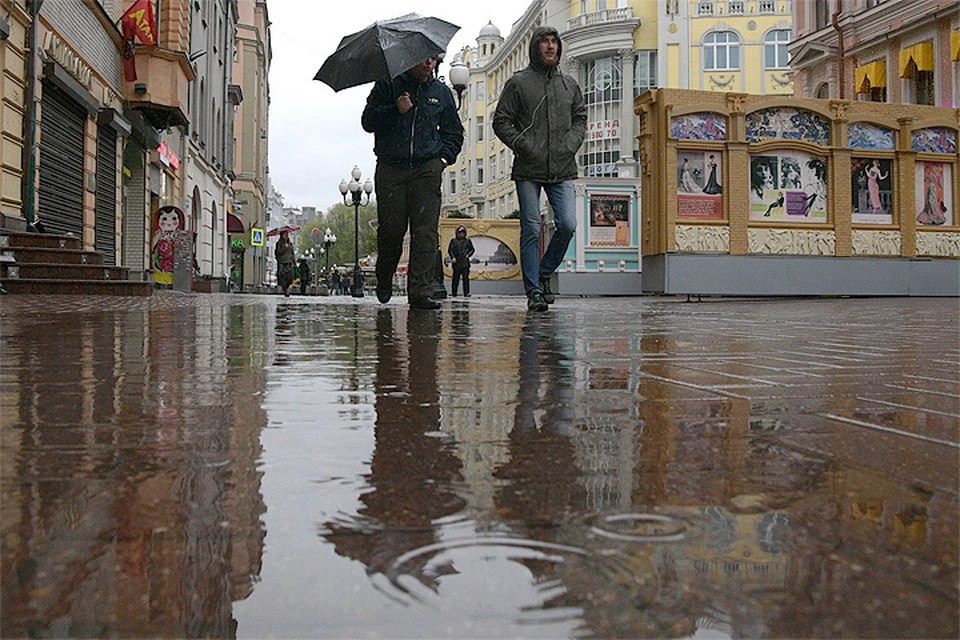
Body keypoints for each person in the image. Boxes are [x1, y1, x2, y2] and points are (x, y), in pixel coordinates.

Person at [493, 26, 587, 312]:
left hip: (562, 166)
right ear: (535, 47)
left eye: (553, 42)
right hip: (528, 167)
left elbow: (580, 118)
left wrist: (570, 144)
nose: (550, 47)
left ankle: (545, 271)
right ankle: (533, 290)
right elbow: (501, 121)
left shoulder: (568, 84)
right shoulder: (518, 83)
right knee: (532, 227)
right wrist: (525, 145)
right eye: (544, 42)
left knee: (568, 224)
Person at [361, 55, 464, 310]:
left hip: (426, 168)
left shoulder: (441, 92)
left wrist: (442, 158)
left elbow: (454, 132)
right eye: (423, 58)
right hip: (391, 168)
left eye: (433, 59)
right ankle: (384, 277)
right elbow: (368, 121)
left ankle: (420, 291)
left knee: (425, 232)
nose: (428, 63)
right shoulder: (387, 85)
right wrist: (395, 109)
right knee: (392, 230)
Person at [447, 225, 476, 297]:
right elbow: (450, 250)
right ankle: (454, 292)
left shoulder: (467, 241)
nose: (461, 234)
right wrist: (453, 257)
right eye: (460, 233)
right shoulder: (453, 241)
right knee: (455, 278)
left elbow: (472, 249)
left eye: (463, 233)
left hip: (465, 262)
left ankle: (466, 292)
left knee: (466, 279)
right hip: (457, 262)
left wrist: (468, 255)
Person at [275, 230, 295, 296]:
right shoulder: (279, 244)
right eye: (284, 234)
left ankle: (287, 289)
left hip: (289, 262)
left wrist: (294, 261)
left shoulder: (290, 244)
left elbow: (292, 253)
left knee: (290, 278)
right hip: (283, 263)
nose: (286, 235)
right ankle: (285, 291)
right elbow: (278, 253)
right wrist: (284, 248)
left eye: (287, 234)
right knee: (283, 278)